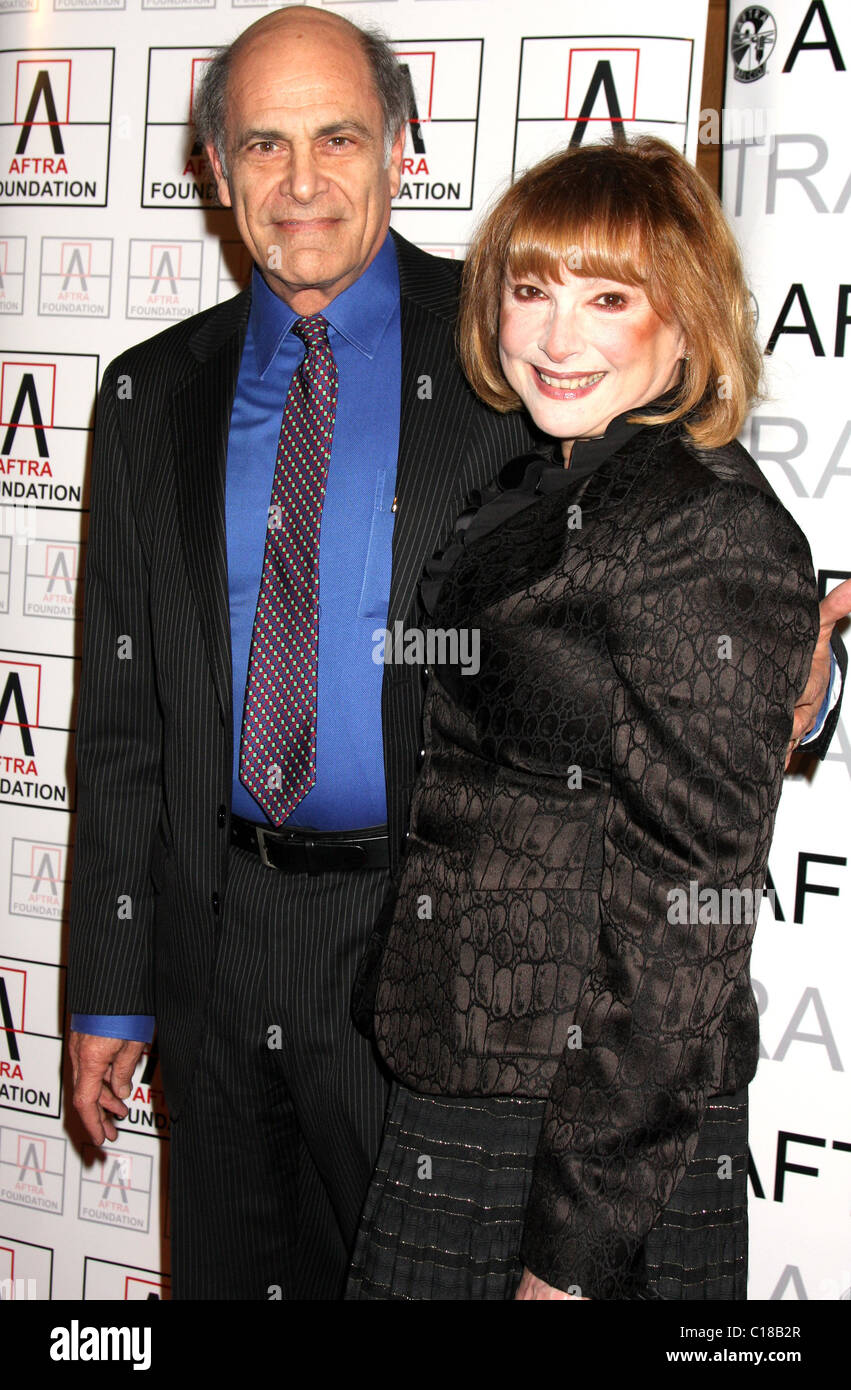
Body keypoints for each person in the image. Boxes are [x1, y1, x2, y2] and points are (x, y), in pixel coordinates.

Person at [65, 8, 842, 1301]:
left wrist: (800, 690)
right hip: (215, 934)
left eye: (337, 137)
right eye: (262, 143)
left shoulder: (510, 352)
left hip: (439, 964)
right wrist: (112, 981)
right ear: (213, 167)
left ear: (399, 146)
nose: (301, 180)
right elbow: (123, 718)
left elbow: (664, 601)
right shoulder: (151, 394)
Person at [346, 136, 846, 1302]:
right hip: (477, 1067)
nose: (555, 336)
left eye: (607, 297)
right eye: (530, 290)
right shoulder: (551, 479)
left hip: (575, 1127)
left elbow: (685, 928)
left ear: (684, 324)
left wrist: (567, 1257)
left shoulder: (695, 524)